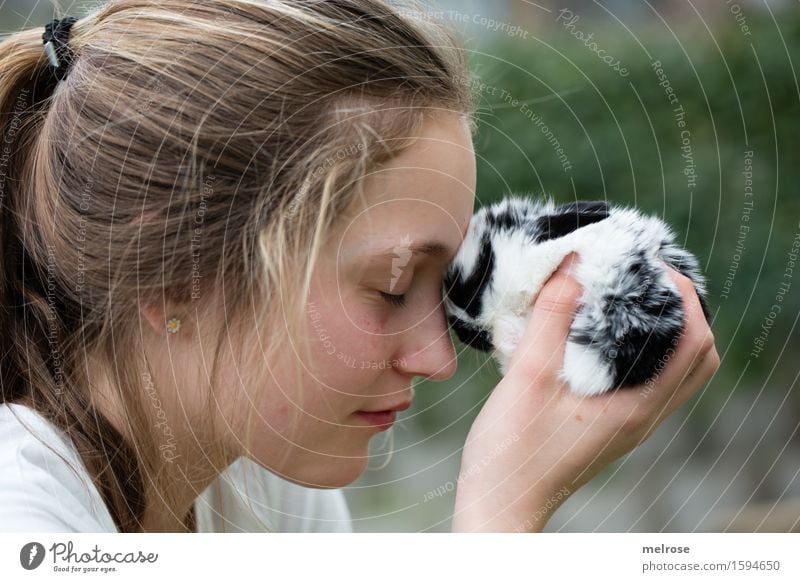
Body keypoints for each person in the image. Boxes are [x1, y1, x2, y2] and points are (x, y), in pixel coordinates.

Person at [0, 0, 719, 533]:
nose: (440, 358)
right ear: (166, 271)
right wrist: (501, 518)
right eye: (392, 287)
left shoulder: (263, 485)